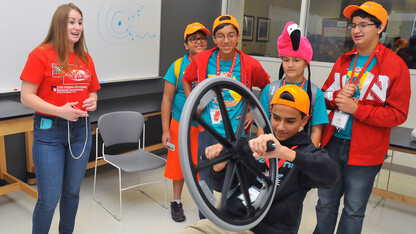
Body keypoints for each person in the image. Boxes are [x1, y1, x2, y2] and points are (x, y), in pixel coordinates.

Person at [176, 85, 339, 234]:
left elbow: (330, 176)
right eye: (276, 118)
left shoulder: (308, 153)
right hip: (230, 222)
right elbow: (223, 186)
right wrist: (219, 166)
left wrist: (284, 153)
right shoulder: (253, 144)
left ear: (304, 120)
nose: (281, 126)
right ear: (269, 112)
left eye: (290, 121)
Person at [314, 2, 411, 234]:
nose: (356, 30)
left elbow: (398, 113)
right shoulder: (343, 61)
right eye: (353, 25)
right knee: (325, 203)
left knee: (353, 210)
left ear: (380, 28)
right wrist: (337, 96)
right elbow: (325, 96)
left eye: (364, 25)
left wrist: (357, 109)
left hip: (366, 151)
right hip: (333, 143)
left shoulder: (396, 66)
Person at [20, 3, 101, 234]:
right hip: (50, 133)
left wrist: (93, 100)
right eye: (72, 22)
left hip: (81, 131)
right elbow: (26, 96)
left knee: (72, 192)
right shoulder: (40, 55)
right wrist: (59, 111)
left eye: (80, 22)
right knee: (49, 198)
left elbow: (92, 90)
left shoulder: (85, 57)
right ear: (59, 24)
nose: (77, 27)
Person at [182, 14, 270, 218]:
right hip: (208, 129)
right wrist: (193, 103)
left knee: (234, 177)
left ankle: (230, 217)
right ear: (214, 38)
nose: (226, 40)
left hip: (236, 133)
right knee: (205, 176)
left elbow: (266, 88)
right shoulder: (203, 59)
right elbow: (187, 79)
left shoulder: (249, 64)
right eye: (220, 36)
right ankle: (205, 219)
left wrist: (252, 113)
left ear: (238, 37)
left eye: (231, 35)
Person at [161, 22, 210, 222]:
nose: (198, 42)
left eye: (202, 38)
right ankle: (176, 202)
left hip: (206, 126)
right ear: (186, 44)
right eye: (193, 38)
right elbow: (166, 99)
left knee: (205, 165)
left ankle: (205, 204)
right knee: (178, 166)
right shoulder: (178, 65)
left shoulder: (213, 63)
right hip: (180, 124)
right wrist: (165, 130)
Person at [259, 21, 329, 147]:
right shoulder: (270, 90)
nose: (290, 65)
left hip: (299, 155)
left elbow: (316, 131)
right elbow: (261, 126)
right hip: (272, 152)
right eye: (286, 60)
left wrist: (307, 158)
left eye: (296, 60)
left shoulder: (315, 94)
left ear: (306, 63)